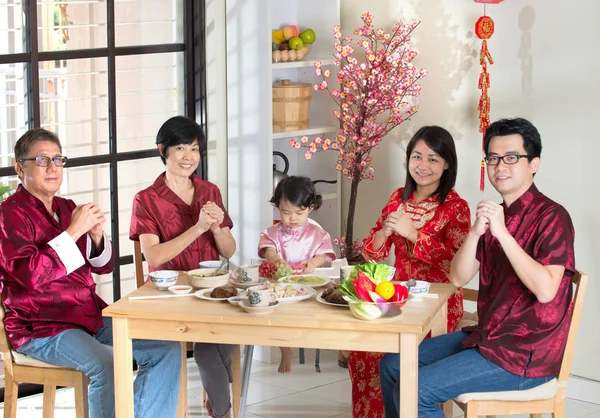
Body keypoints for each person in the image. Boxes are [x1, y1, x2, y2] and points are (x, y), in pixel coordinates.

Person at [379, 118, 576, 417]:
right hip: (488, 336)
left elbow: (546, 290)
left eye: (512, 158)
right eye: (493, 158)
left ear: (534, 163)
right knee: (392, 365)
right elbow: (457, 278)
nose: (500, 167)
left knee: (416, 389)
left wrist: (503, 234)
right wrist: (475, 232)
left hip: (524, 353)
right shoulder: (497, 214)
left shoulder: (553, 217)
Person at [0, 128, 181, 418]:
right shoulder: (9, 214)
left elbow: (103, 266)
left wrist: (95, 236)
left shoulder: (67, 207)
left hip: (87, 315)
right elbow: (31, 275)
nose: (53, 168)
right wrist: (73, 231)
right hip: (42, 326)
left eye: (58, 159)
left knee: (166, 348)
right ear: (20, 167)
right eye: (43, 160)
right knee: (106, 365)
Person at [348, 126, 471, 418]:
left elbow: (457, 264)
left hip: (439, 302)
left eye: (432, 159)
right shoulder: (397, 198)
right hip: (398, 294)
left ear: (447, 164)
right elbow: (370, 254)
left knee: (393, 356)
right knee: (363, 350)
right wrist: (383, 234)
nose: (423, 166)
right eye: (417, 157)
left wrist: (414, 235)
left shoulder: (456, 208)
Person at [129, 116, 236, 418]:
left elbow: (229, 249)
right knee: (210, 350)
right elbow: (154, 258)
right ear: (163, 150)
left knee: (229, 338)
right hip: (171, 295)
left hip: (211, 288)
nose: (189, 158)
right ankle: (222, 410)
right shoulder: (146, 200)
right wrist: (199, 228)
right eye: (180, 149)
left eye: (195, 149)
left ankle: (217, 405)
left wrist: (216, 229)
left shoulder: (210, 190)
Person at [258, 176, 336, 373]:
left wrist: (314, 262)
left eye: (299, 213)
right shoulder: (273, 232)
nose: (292, 218)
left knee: (324, 309)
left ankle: (339, 348)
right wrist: (275, 259)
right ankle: (285, 349)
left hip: (309, 282)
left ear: (310, 208)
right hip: (281, 285)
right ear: (277, 207)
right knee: (276, 317)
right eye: (286, 212)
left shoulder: (315, 233)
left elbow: (324, 254)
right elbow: (268, 249)